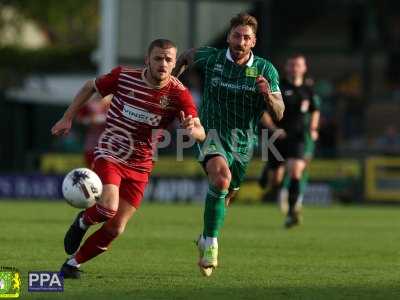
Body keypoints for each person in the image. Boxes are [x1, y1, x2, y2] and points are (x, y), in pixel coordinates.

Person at [51, 39, 206, 279]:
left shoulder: (178, 94)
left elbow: (200, 132)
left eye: (168, 60)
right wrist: (67, 117)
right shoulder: (124, 76)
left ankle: (72, 264)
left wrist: (191, 130)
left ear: (175, 63)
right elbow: (90, 86)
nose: (163, 64)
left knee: (116, 227)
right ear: (147, 60)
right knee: (107, 208)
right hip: (111, 152)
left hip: (142, 164)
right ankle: (82, 221)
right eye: (158, 58)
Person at [173, 13, 284, 276]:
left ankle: (205, 236)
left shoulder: (266, 70)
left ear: (253, 42)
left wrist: (268, 95)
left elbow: (279, 112)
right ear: (228, 37)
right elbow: (187, 56)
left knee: (227, 193)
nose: (240, 41)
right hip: (209, 134)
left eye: (246, 37)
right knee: (221, 179)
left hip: (242, 143)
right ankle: (211, 246)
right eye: (236, 35)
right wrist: (173, 84)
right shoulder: (212, 57)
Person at [258, 54, 321, 228]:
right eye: (292, 65)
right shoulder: (278, 87)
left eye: (298, 65)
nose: (295, 68)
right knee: (275, 180)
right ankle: (268, 170)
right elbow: (263, 112)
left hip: (298, 137)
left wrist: (314, 129)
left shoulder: (309, 90)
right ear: (286, 68)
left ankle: (292, 212)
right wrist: (273, 129)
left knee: (296, 171)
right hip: (277, 137)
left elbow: (315, 110)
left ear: (304, 68)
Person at [76, 94, 111, 169]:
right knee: (92, 169)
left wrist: (98, 119)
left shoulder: (114, 102)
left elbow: (115, 118)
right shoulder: (90, 104)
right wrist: (89, 120)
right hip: (91, 144)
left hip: (109, 146)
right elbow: (79, 119)